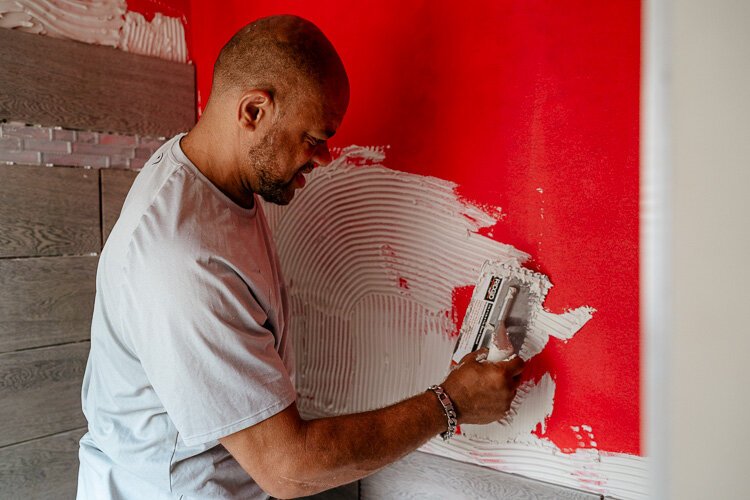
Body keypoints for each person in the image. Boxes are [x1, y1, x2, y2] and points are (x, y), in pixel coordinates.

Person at [77, 14, 524, 500]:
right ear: (252, 112)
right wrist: (451, 403)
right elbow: (287, 468)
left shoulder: (216, 181)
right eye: (314, 139)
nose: (326, 157)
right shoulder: (182, 258)